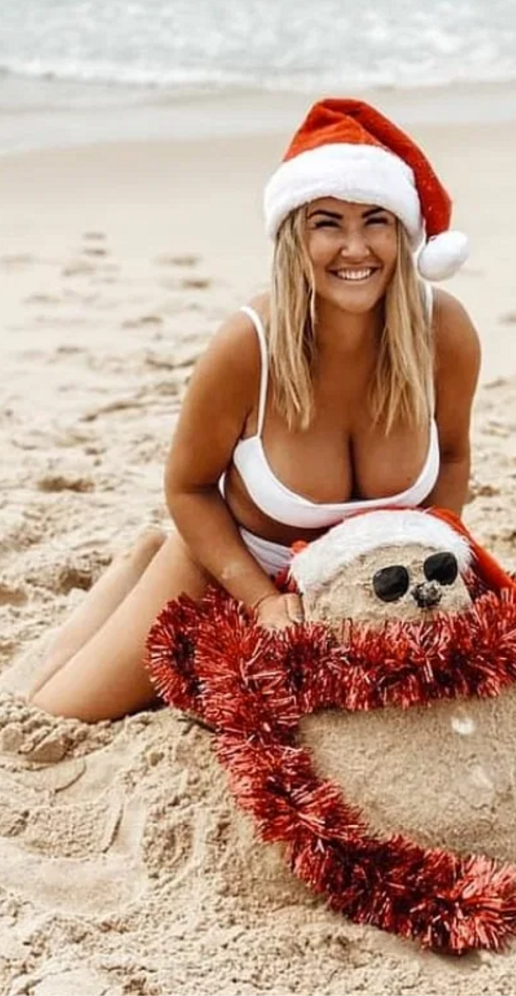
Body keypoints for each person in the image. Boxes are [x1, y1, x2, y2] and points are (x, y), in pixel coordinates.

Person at [28, 98, 481, 723]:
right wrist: (262, 600)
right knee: (60, 712)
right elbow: (188, 486)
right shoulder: (248, 347)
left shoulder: (443, 331)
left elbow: (453, 454)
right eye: (328, 223)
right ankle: (140, 567)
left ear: (403, 233)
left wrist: (436, 556)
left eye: (375, 220)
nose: (355, 248)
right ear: (295, 235)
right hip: (241, 569)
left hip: (385, 583)